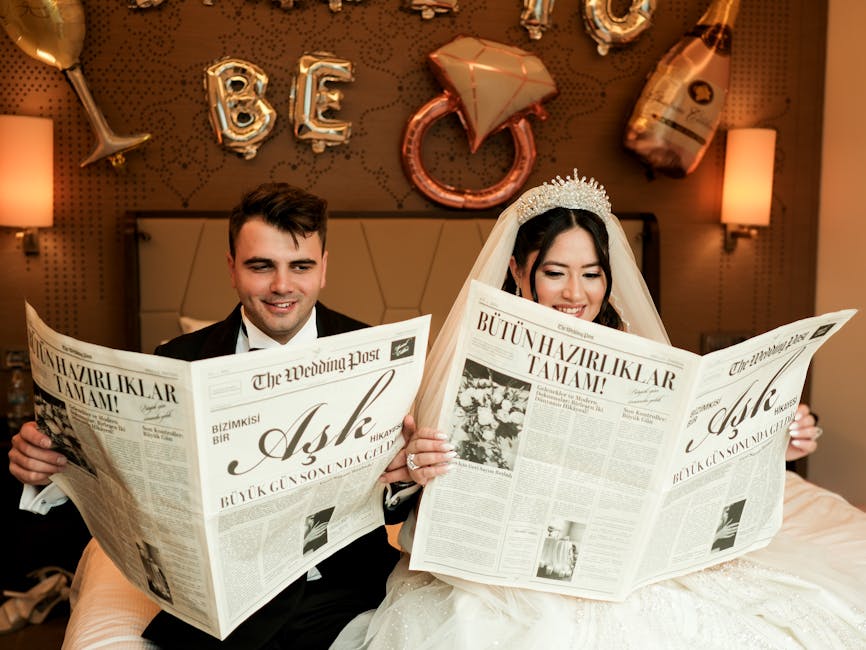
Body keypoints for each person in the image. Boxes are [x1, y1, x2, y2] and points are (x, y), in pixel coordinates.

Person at [330, 172, 866, 649]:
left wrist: (777, 440)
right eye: (555, 272)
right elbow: (432, 489)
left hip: (621, 548)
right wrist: (422, 469)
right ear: (519, 271)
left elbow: (690, 451)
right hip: (510, 562)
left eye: (591, 274)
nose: (575, 293)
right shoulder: (479, 358)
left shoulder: (640, 355)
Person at [8, 182, 420, 649]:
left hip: (342, 592)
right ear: (231, 268)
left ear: (323, 268)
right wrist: (47, 475)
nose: (282, 286)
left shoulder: (377, 357)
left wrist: (403, 477)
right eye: (260, 266)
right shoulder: (174, 362)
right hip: (217, 609)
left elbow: (393, 506)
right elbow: (124, 488)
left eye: (300, 266)